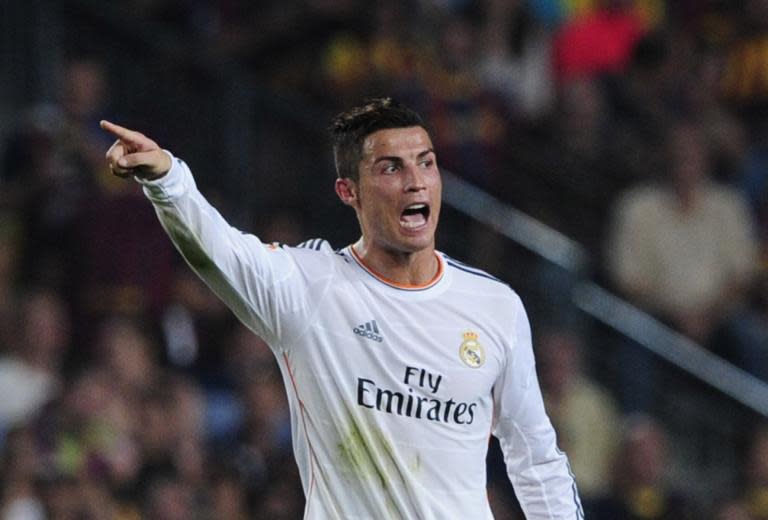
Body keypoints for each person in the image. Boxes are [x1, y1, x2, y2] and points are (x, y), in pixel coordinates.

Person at [100, 97, 583, 519]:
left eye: (426, 162)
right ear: (348, 191)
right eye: (391, 167)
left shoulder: (494, 306)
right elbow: (220, 251)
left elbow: (535, 455)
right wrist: (167, 180)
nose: (416, 182)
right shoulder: (312, 289)